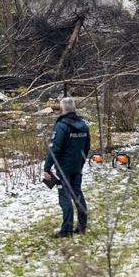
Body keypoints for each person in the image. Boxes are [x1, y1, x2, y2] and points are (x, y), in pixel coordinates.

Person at [43, 97, 90, 238]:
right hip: (77, 166)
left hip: (63, 168)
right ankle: (82, 227)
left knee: (64, 197)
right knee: (78, 194)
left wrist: (47, 168)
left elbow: (55, 149)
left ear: (62, 109)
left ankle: (66, 230)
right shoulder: (84, 125)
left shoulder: (62, 126)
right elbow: (87, 147)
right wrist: (81, 163)